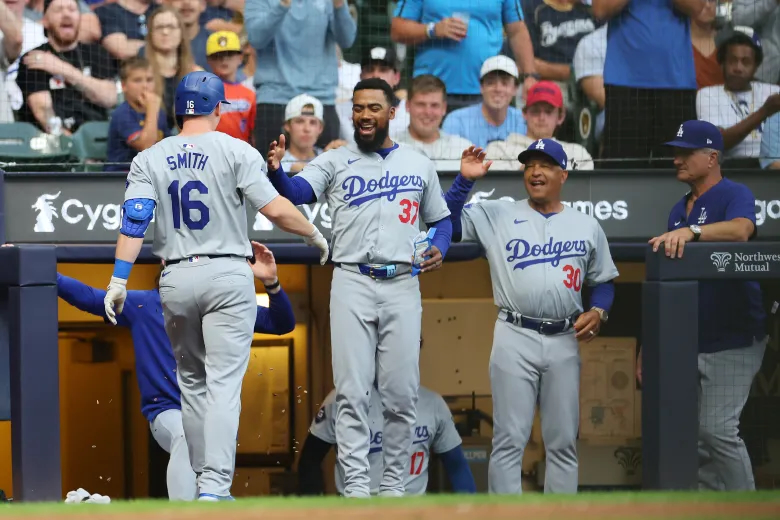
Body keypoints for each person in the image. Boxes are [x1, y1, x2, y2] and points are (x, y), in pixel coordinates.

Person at [102, 70, 329, 501]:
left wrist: (118, 278)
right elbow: (277, 208)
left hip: (176, 274)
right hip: (227, 272)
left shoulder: (149, 157)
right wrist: (314, 234)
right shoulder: (235, 149)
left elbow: (135, 220)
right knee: (224, 383)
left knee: (191, 384)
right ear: (219, 107)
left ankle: (201, 478)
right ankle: (214, 488)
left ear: (176, 109)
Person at [264, 77, 453, 497]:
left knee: (401, 395)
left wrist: (439, 245)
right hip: (351, 278)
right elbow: (297, 192)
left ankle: (393, 489)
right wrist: (277, 170)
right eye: (358, 108)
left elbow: (441, 219)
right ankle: (356, 491)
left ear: (391, 113)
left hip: (403, 281)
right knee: (350, 393)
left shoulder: (418, 162)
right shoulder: (335, 160)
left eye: (373, 108)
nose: (364, 115)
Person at [55, 241, 295, 501]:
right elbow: (91, 298)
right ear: (166, 263)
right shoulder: (146, 305)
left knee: (211, 488)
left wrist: (271, 283)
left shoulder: (223, 306)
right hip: (168, 411)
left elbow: (281, 323)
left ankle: (102, 507)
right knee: (185, 433)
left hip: (211, 414)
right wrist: (43, 270)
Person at [444, 139, 618, 494]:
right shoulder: (497, 213)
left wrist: (599, 311)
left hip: (564, 338)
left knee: (563, 441)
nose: (535, 172)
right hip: (514, 333)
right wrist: (464, 181)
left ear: (563, 175)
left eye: (545, 165)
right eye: (529, 165)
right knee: (509, 439)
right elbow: (446, 222)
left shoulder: (586, 225)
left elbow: (604, 282)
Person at [642, 119, 767, 491]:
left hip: (734, 337)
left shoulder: (734, 193)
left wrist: (693, 232)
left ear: (712, 157)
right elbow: (668, 283)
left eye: (686, 153)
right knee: (694, 437)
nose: (676, 159)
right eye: (675, 153)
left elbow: (742, 230)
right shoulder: (677, 211)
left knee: (717, 429)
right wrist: (651, 344)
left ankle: (749, 509)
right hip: (690, 340)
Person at [297, 383, 476, 496]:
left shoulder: (432, 403)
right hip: (356, 507)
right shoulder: (341, 400)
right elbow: (309, 460)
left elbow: (457, 466)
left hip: (411, 508)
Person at [15, 0, 117, 135]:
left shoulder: (97, 53)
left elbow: (109, 98)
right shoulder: (35, 57)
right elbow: (43, 111)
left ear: (80, 18)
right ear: (45, 20)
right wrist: (71, 144)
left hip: (97, 138)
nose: (66, 15)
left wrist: (62, 69)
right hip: (56, 144)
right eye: (58, 10)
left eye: (72, 9)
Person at [106, 57, 169, 172]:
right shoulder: (122, 114)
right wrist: (152, 109)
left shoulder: (159, 113)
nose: (145, 86)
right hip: (120, 179)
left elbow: (169, 148)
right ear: (124, 86)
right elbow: (146, 147)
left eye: (149, 80)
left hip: (150, 177)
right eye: (137, 80)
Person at [206, 30, 256, 144]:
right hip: (210, 153)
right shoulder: (202, 90)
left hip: (241, 155)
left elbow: (253, 134)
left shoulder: (249, 94)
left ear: (240, 58)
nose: (224, 60)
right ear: (209, 60)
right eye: (218, 56)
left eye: (229, 54)